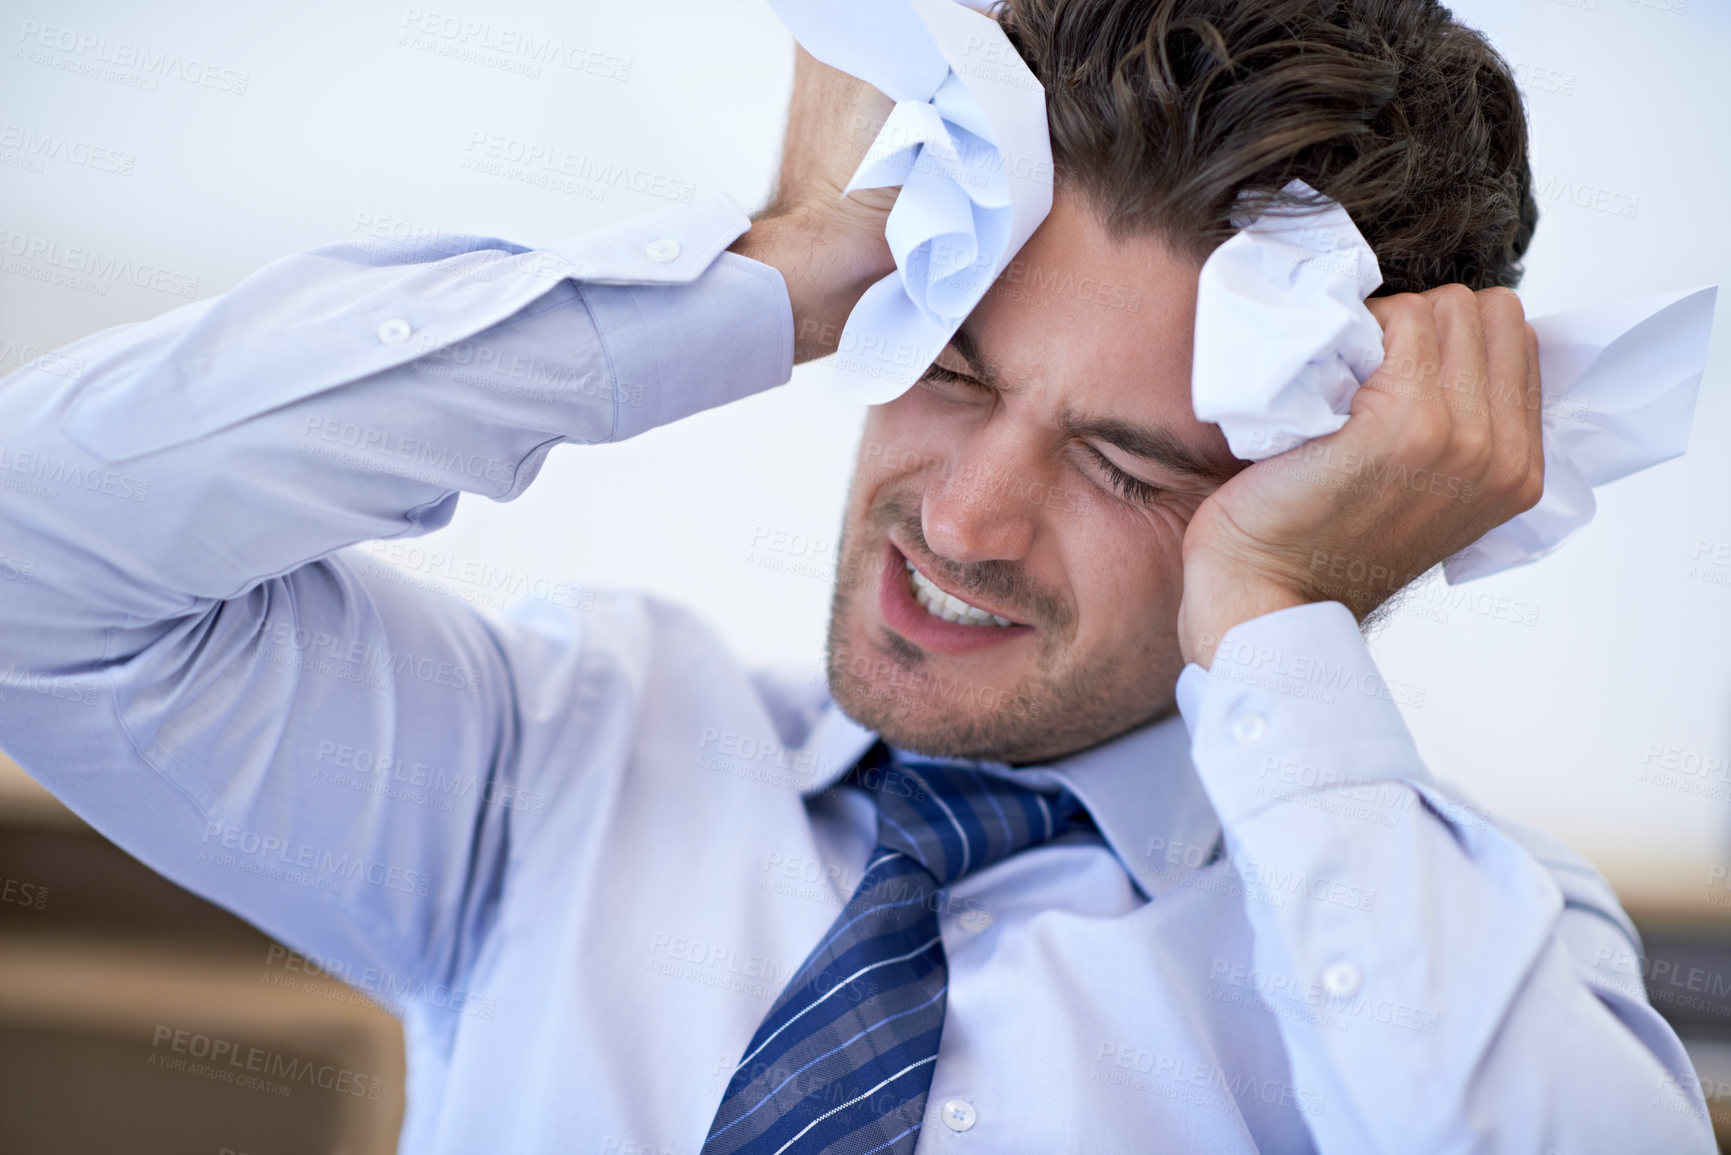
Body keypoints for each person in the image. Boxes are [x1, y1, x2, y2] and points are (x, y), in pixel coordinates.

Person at [0, 0, 1713, 1151]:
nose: (966, 520)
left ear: (1361, 500)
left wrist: (1276, 625)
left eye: (1133, 466)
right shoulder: (549, 761)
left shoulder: (1467, 954)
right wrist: (778, 272)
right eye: (949, 362)